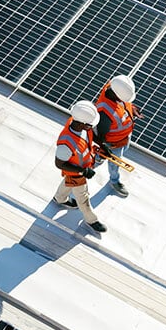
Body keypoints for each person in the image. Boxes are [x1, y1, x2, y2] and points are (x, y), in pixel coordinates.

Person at [52, 100, 107, 233]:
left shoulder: (79, 124)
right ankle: (91, 220)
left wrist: (102, 145)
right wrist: (83, 171)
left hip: (79, 169)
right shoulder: (66, 143)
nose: (91, 127)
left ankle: (59, 198)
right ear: (82, 123)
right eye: (90, 125)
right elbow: (59, 164)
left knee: (67, 182)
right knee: (83, 199)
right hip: (77, 173)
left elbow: (90, 135)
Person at [94, 75, 143, 197]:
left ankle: (99, 157)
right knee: (115, 164)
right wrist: (106, 149)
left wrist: (132, 109)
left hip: (124, 137)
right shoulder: (105, 112)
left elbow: (123, 104)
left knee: (124, 149)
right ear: (117, 95)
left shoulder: (116, 87)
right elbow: (99, 136)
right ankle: (114, 181)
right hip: (114, 144)